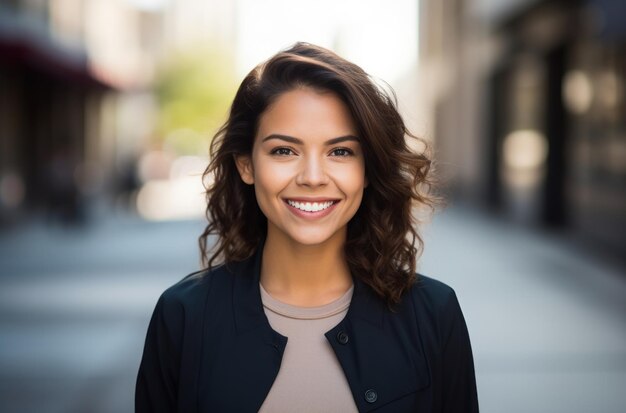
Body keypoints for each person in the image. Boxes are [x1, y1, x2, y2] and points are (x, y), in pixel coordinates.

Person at [136, 42, 479, 412]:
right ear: (246, 165)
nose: (313, 177)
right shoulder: (183, 316)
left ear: (367, 170)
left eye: (340, 151)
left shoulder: (434, 314)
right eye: (284, 150)